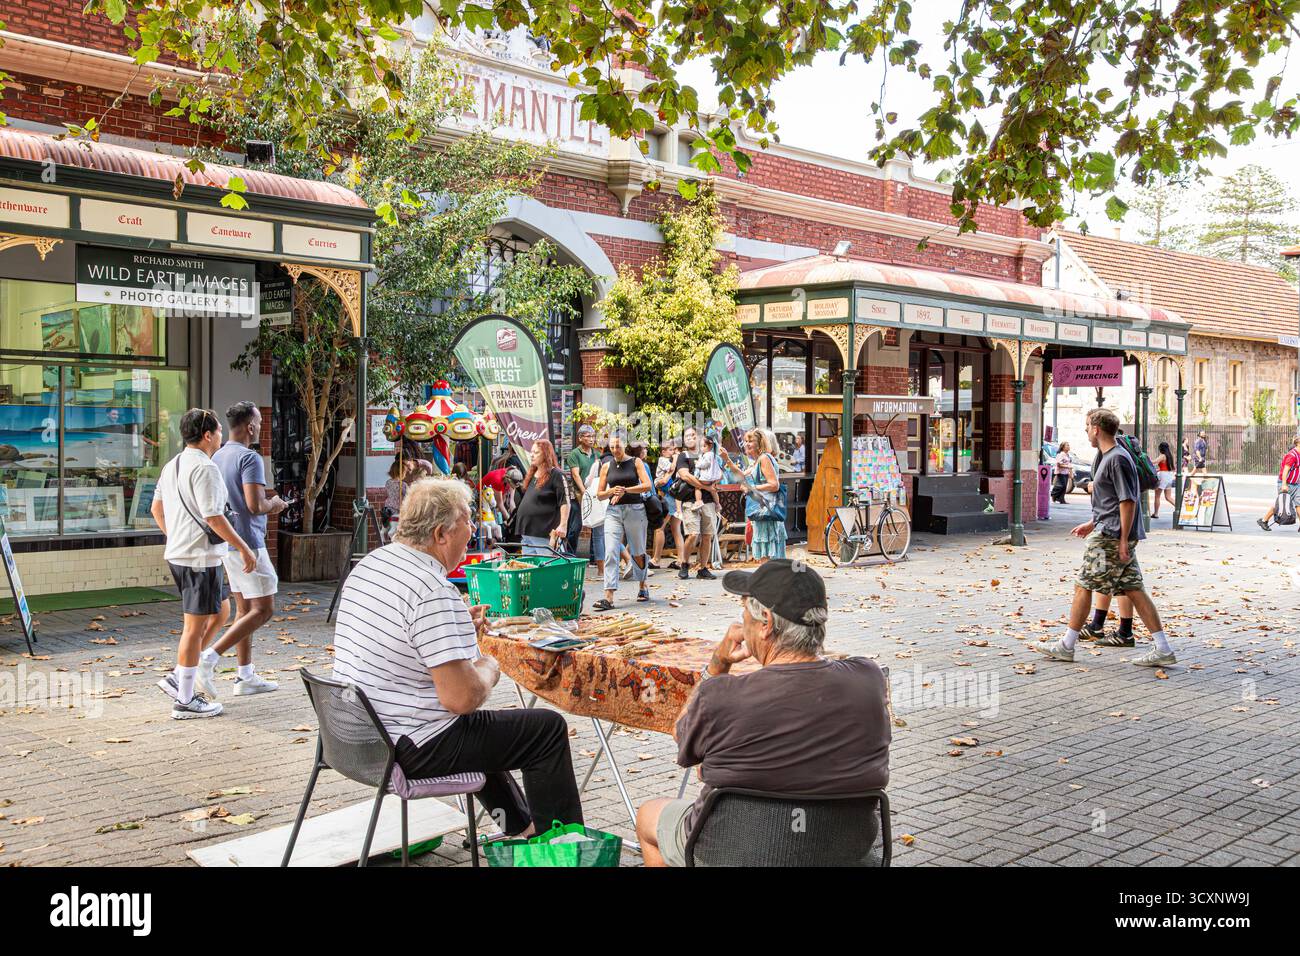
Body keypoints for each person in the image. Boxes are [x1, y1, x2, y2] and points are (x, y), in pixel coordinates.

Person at [332, 478, 583, 836]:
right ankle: (563, 848)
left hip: (356, 735)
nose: (474, 529)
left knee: (490, 734)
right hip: (408, 745)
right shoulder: (431, 589)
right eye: (467, 520)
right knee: (544, 730)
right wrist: (490, 665)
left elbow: (400, 633)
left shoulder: (373, 563)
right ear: (440, 534)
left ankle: (521, 829)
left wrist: (452, 624)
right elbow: (461, 700)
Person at [635, 560, 890, 867]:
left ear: (765, 622)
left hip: (733, 851)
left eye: (744, 610)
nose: (741, 620)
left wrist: (718, 663)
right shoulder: (869, 678)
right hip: (844, 852)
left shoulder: (721, 694)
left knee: (648, 815)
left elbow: (682, 736)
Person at [1033, 408, 1175, 668]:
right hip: (1110, 531)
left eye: (1088, 426)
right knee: (1134, 589)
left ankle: (1066, 645)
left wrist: (1122, 541)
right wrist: (1092, 523)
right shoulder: (1110, 456)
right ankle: (1163, 648)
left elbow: (1128, 501)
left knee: (1083, 586)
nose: (1086, 431)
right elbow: (1111, 501)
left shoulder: (1117, 459)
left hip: (1109, 537)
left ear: (1097, 429)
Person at [150, 408, 258, 719]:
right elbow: (214, 516)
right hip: (198, 558)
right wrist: (244, 548)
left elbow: (156, 508)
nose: (222, 435)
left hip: (187, 554)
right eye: (219, 431)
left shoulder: (172, 465)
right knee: (193, 627)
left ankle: (180, 674)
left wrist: (176, 536)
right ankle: (184, 699)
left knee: (222, 610)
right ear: (207, 435)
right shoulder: (205, 468)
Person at [194, 401, 288, 698]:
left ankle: (245, 676)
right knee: (264, 609)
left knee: (245, 610)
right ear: (250, 427)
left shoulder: (218, 455)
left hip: (228, 541)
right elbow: (255, 505)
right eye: (259, 422)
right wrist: (275, 503)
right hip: (249, 543)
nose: (260, 427)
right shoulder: (250, 458)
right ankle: (209, 658)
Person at [592, 432, 653, 610]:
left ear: (625, 445)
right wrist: (612, 491)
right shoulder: (606, 466)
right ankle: (608, 597)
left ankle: (642, 585)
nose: (614, 449)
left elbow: (647, 485)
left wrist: (626, 490)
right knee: (611, 550)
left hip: (635, 509)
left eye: (617, 446)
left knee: (638, 551)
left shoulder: (636, 462)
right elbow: (600, 494)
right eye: (612, 446)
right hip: (613, 511)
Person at [720, 429, 785, 563]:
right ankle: (768, 575)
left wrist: (751, 488)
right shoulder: (756, 461)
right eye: (745, 441)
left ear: (760, 443)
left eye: (751, 441)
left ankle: (769, 576)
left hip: (768, 512)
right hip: (761, 512)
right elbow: (741, 476)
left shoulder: (764, 458)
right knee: (764, 556)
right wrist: (727, 459)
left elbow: (774, 485)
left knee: (768, 556)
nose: (747, 444)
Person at [675, 426, 720, 580]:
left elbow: (718, 472)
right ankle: (684, 563)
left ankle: (703, 568)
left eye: (693, 435)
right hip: (690, 501)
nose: (689, 438)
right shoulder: (683, 456)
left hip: (708, 501)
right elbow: (685, 476)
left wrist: (714, 483)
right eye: (686, 436)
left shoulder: (708, 454)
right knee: (693, 534)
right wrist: (707, 487)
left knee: (707, 535)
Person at [514, 439, 569, 555]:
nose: (532, 455)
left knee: (547, 564)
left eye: (536, 452)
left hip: (544, 532)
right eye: (531, 452)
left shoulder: (556, 474)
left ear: (545, 454)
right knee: (529, 565)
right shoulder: (532, 474)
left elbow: (565, 501)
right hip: (527, 532)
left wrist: (563, 525)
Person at [564, 425, 600, 570]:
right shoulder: (575, 454)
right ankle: (570, 556)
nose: (591, 439)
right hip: (578, 495)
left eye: (593, 436)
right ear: (580, 438)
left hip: (594, 494)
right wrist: (584, 491)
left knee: (595, 525)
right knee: (575, 527)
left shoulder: (596, 454)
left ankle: (594, 558)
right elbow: (575, 474)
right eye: (588, 436)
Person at [652, 437, 684, 569]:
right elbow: (671, 471)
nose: (672, 452)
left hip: (669, 497)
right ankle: (681, 560)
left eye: (673, 449)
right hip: (674, 496)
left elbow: (667, 477)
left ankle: (656, 559)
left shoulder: (673, 460)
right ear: (663, 451)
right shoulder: (663, 460)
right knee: (676, 529)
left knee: (660, 528)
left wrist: (675, 459)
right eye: (670, 450)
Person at [1257, 435, 1300, 531]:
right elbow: (1285, 470)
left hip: (1296, 484)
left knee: (1299, 503)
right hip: (1286, 484)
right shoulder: (1292, 455)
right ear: (1298, 443)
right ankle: (1264, 521)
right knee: (1281, 504)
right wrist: (1284, 484)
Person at [1152, 441, 1175, 519]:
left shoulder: (1162, 456)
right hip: (1169, 476)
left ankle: (1156, 513)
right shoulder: (1169, 456)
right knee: (1168, 497)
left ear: (1161, 448)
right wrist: (1159, 470)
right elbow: (1166, 467)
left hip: (1163, 477)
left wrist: (1145, 459)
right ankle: (1179, 509)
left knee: (1157, 496)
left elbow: (1154, 462)